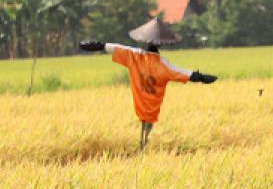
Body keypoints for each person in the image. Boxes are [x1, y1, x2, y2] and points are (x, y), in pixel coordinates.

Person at [79, 17, 218, 149]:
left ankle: (143, 143)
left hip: (139, 100)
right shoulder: (164, 65)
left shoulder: (135, 56)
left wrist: (98, 45)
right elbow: (184, 73)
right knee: (148, 123)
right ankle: (144, 143)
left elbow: (116, 47)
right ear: (160, 43)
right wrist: (201, 77)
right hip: (152, 104)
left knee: (143, 121)